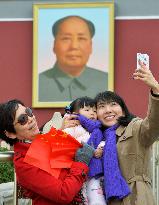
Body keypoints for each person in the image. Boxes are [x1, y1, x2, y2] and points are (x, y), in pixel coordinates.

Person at [62, 63, 159, 205]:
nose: (108, 110)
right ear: (96, 115)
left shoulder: (135, 128)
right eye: (101, 106)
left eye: (113, 104)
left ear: (124, 110)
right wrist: (63, 129)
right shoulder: (93, 137)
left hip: (136, 198)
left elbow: (154, 124)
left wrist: (155, 89)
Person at [0, 99, 95, 205]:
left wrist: (64, 131)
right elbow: (63, 194)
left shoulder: (45, 140)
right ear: (10, 134)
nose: (30, 119)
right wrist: (81, 163)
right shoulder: (23, 163)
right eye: (23, 119)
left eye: (29, 112)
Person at [39, 15, 108, 102]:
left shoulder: (107, 81)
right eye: (66, 38)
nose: (74, 46)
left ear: (91, 46)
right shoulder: (38, 84)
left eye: (81, 38)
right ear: (54, 45)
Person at [64, 96, 107, 205]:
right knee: (81, 197)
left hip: (94, 171)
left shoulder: (98, 130)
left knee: (96, 195)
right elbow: (67, 143)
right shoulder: (74, 127)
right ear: (75, 113)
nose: (92, 113)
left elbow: (103, 141)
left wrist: (101, 148)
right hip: (76, 170)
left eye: (94, 110)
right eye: (87, 110)